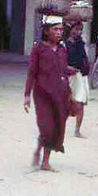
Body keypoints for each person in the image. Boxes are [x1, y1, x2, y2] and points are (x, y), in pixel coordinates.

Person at [24, 16, 77, 171]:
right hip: (42, 94)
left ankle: (45, 161)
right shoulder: (38, 49)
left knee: (55, 127)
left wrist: (70, 71)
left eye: (61, 29)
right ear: (47, 31)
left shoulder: (62, 49)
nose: (59, 32)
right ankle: (38, 152)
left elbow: (61, 69)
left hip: (60, 94)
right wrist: (27, 95)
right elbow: (32, 72)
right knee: (46, 127)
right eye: (55, 29)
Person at [65, 21, 90, 138]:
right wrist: (68, 68)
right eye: (77, 29)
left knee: (80, 103)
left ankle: (77, 130)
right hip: (69, 77)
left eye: (81, 29)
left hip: (80, 76)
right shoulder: (64, 44)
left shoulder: (80, 43)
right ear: (70, 29)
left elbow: (83, 58)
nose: (79, 32)